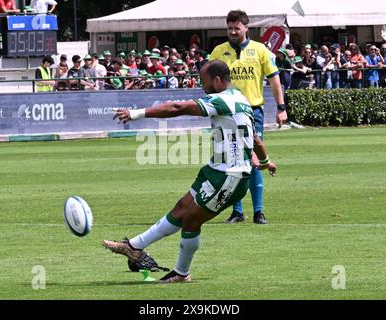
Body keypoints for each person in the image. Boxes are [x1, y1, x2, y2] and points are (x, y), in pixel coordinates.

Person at [104, 60, 277, 283]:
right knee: (181, 209)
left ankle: (181, 273)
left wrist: (136, 114)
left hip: (229, 177)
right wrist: (265, 160)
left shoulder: (221, 100)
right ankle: (134, 246)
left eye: (203, 81)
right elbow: (254, 138)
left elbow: (177, 108)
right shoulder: (241, 99)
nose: (201, 87)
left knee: (191, 221)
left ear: (216, 80)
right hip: (215, 171)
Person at [209, 10, 286, 224]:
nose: (233, 31)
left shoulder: (260, 50)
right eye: (229, 28)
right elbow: (207, 81)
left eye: (237, 28)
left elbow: (274, 80)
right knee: (232, 161)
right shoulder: (218, 51)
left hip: (252, 112)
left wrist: (281, 107)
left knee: (250, 160)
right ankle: (237, 212)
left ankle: (258, 211)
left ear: (246, 28)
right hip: (226, 112)